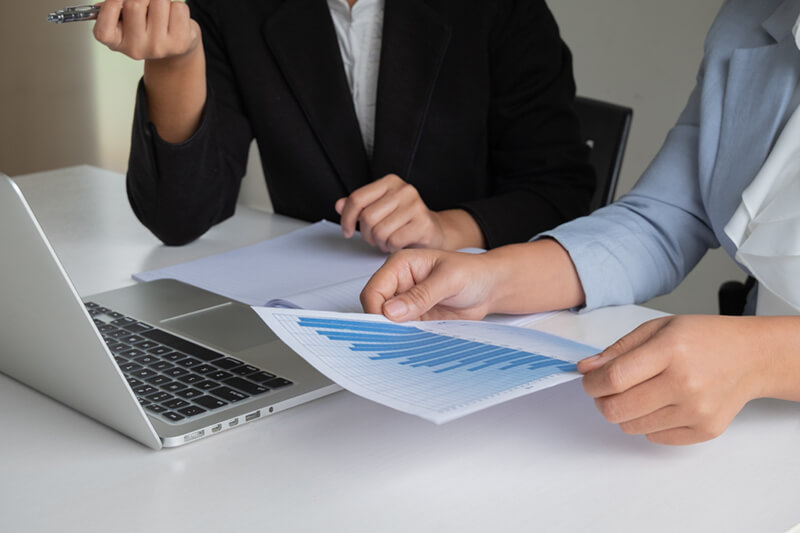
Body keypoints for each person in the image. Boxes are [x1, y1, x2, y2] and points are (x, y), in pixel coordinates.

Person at [360, 0, 800, 446]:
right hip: (748, 422)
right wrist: (490, 275)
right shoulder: (748, 20)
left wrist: (760, 356)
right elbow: (665, 219)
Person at [92, 0, 595, 250]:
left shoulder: (498, 9)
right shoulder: (232, 9)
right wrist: (176, 61)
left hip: (477, 318)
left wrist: (446, 229)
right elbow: (179, 218)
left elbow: (559, 193)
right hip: (306, 319)